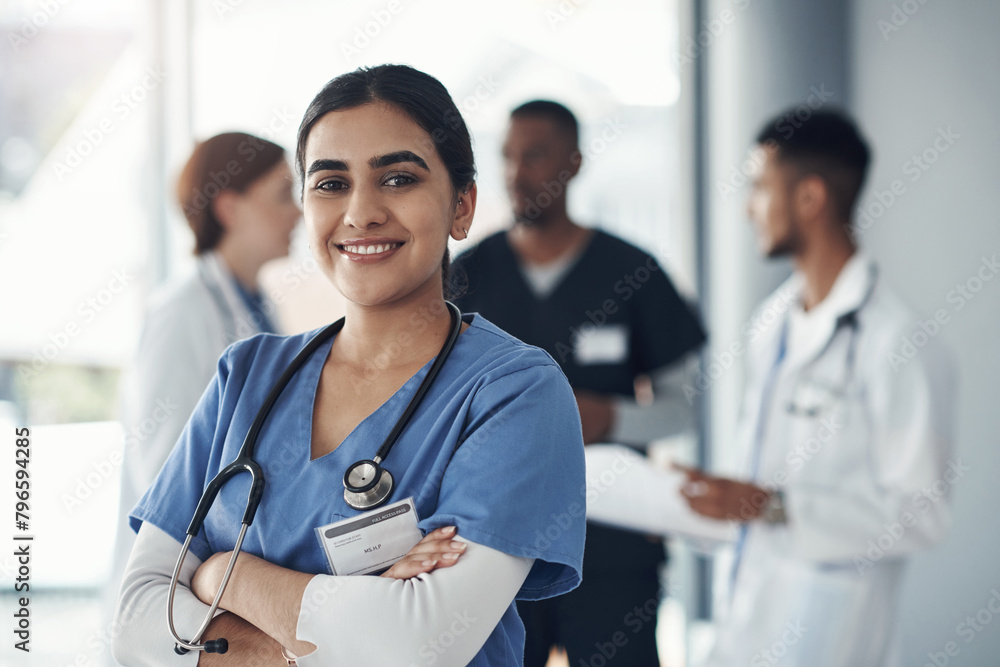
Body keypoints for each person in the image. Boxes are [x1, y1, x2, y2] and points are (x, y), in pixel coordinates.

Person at [111, 65, 586, 666]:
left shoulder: (515, 392)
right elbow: (133, 627)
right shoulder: (247, 376)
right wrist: (332, 630)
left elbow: (414, 646)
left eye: (398, 178)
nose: (361, 212)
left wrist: (219, 575)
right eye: (331, 183)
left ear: (462, 207)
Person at [676, 109, 954, 666]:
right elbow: (759, 475)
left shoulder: (894, 342)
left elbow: (922, 512)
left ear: (809, 197)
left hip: (832, 635)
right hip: (747, 624)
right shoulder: (771, 324)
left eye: (759, 187)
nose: (747, 207)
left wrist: (775, 506)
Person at [451, 100, 706, 666]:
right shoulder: (465, 277)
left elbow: (685, 409)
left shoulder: (633, 272)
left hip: (611, 547)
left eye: (536, 156)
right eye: (508, 157)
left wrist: (612, 418)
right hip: (496, 544)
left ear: (574, 164)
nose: (518, 173)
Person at [106, 133, 300, 665]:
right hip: (179, 594)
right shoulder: (183, 310)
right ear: (230, 206)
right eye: (283, 194)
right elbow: (164, 467)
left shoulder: (256, 309)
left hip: (229, 591)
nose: (300, 213)